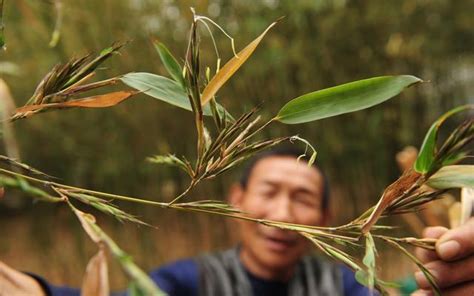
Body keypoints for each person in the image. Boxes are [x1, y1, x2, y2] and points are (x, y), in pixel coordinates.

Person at [0, 147, 473, 295]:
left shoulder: (342, 285)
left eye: (303, 199)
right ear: (236, 201)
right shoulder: (190, 280)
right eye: (268, 193)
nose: (283, 215)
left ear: (328, 217)